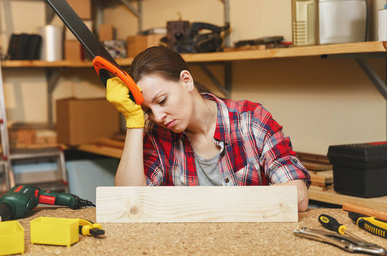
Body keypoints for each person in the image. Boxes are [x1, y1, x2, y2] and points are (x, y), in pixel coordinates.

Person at [106, 46, 311, 211]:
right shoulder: (157, 133)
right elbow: (129, 200)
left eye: (162, 100)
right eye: (147, 110)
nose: (158, 116)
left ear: (186, 81)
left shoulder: (251, 121)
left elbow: (299, 196)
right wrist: (134, 121)